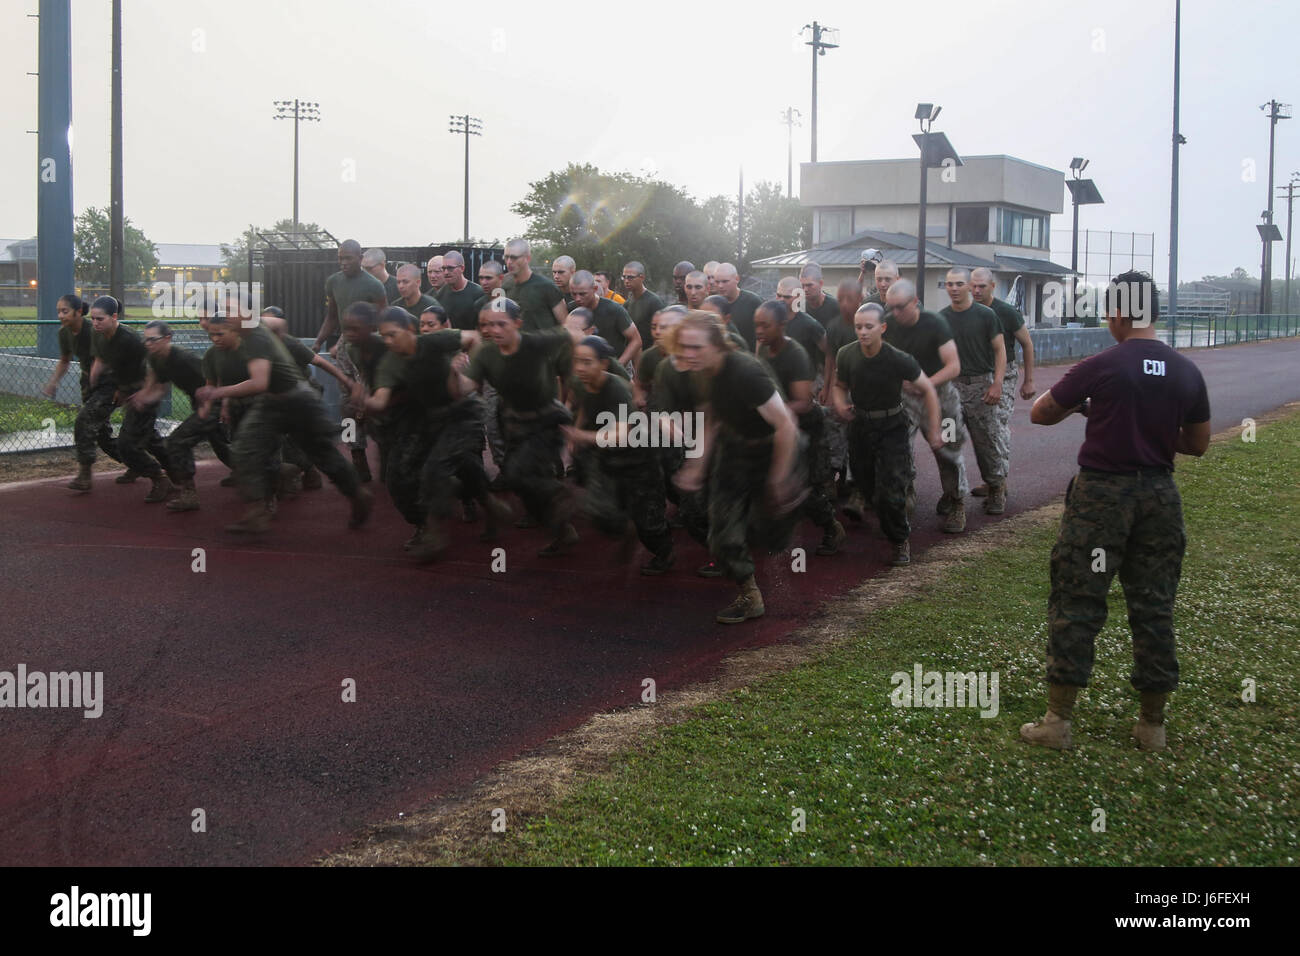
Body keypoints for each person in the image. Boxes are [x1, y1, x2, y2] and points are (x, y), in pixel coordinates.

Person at [1021, 272, 1210, 752]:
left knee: (1077, 600)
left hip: (1102, 496)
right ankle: (1152, 727)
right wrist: (1153, 427)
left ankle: (1058, 721)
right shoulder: (1187, 371)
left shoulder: (1102, 364)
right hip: (1160, 497)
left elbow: (1041, 412)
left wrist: (1090, 407)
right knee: (1154, 606)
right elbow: (1198, 443)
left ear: (1120, 313)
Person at [674, 311, 803, 624]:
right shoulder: (700, 370)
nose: (688, 354)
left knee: (771, 536)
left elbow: (787, 425)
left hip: (772, 449)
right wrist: (697, 463)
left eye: (696, 347)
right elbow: (709, 415)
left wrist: (778, 479)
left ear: (718, 345)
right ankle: (749, 595)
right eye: (684, 347)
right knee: (722, 534)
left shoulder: (746, 371)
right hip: (733, 452)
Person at [195, 314, 372, 533]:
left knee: (323, 454)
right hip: (269, 404)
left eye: (220, 333)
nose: (215, 339)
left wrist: (347, 381)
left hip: (298, 399)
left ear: (236, 328)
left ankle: (356, 493)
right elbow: (228, 377)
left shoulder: (256, 338)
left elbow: (259, 382)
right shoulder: (219, 354)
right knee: (244, 450)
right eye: (211, 334)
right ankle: (257, 510)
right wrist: (222, 401)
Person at [366, 308, 505, 559]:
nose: (388, 341)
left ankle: (437, 532)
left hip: (461, 413)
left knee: (438, 468)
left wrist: (467, 377)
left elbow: (473, 337)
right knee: (399, 476)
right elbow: (381, 398)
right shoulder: (390, 362)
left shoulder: (432, 341)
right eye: (383, 336)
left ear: (410, 331)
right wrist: (364, 401)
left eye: (392, 335)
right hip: (427, 419)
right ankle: (434, 520)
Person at [465, 297, 582, 556]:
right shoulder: (485, 353)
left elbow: (571, 333)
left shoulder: (536, 342)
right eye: (486, 325)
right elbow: (466, 386)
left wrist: (580, 363)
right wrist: (452, 376)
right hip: (514, 421)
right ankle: (561, 530)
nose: (492, 330)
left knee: (523, 474)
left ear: (517, 323)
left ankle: (563, 496)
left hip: (547, 419)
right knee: (517, 478)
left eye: (500, 324)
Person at [832, 303, 944, 566]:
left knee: (891, 490)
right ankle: (889, 519)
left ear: (882, 328)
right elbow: (839, 386)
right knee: (867, 488)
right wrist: (839, 403)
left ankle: (899, 539)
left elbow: (928, 390)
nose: (862, 332)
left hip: (892, 427)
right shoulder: (846, 354)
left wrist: (935, 429)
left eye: (868, 327)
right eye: (858, 327)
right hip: (860, 427)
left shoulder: (897, 358)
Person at [563, 336, 675, 574]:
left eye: (587, 362)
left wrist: (581, 436)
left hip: (639, 458)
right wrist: (578, 432)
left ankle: (664, 553)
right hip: (608, 455)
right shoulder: (580, 381)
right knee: (599, 512)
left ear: (603, 363)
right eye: (577, 362)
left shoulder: (618, 390)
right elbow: (583, 404)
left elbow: (621, 435)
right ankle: (628, 529)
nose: (580, 368)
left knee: (649, 524)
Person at [754, 300, 844, 556]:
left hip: (807, 428)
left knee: (808, 489)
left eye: (765, 325)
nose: (759, 331)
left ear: (782, 326)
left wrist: (767, 409)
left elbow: (804, 403)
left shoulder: (794, 354)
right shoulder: (763, 350)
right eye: (756, 325)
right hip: (780, 426)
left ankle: (832, 527)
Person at [883, 279, 967, 532]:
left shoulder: (935, 323)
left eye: (900, 307)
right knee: (899, 449)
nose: (895, 313)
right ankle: (906, 498)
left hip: (941, 397)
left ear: (915, 302)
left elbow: (954, 367)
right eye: (891, 307)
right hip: (905, 399)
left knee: (948, 451)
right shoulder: (889, 324)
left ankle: (956, 501)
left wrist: (924, 384)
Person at [67, 296, 170, 500]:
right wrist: (93, 381)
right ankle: (155, 470)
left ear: (114, 317)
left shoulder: (129, 340)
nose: (95, 323)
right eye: (93, 319)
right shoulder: (98, 334)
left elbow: (150, 370)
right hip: (119, 388)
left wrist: (135, 393)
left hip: (142, 389)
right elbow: (100, 359)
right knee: (126, 435)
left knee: (136, 440)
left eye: (100, 319)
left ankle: (164, 477)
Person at [132, 320, 230, 512]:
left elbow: (216, 382)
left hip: (214, 403)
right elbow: (159, 388)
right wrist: (143, 398)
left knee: (178, 441)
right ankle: (281, 472)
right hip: (202, 405)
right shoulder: (157, 358)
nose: (148, 344)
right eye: (146, 340)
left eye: (153, 340)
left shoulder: (183, 359)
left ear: (167, 338)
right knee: (225, 450)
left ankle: (189, 494)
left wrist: (212, 406)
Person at [939, 267, 1007, 518]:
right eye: (949, 284)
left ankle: (996, 487)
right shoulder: (940, 318)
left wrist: (997, 383)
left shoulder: (986, 316)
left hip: (981, 387)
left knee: (986, 443)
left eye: (959, 284)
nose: (954, 289)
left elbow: (1000, 350)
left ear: (968, 286)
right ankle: (955, 497)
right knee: (948, 445)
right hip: (950, 390)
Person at [970, 267, 1037, 501]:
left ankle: (999, 482)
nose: (977, 291)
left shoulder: (1006, 312)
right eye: (974, 286)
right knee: (980, 429)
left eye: (982, 287)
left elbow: (1027, 344)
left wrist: (1028, 380)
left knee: (997, 424)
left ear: (993, 286)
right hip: (979, 374)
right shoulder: (967, 311)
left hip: (1005, 373)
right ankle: (991, 479)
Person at [44, 293, 122, 467]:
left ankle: (84, 473)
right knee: (102, 435)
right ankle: (135, 463)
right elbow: (65, 360)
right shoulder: (64, 333)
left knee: (84, 421)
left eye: (65, 311)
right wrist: (53, 382)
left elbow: (114, 359)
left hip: (108, 382)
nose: (60, 316)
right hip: (89, 382)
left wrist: (121, 387)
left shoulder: (94, 330)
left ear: (78, 312)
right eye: (58, 311)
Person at [311, 239, 389, 353]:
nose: (344, 262)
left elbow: (384, 320)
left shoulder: (374, 285)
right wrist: (318, 343)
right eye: (341, 258)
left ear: (360, 258)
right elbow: (332, 317)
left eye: (348, 258)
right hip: (345, 343)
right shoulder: (333, 282)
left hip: (368, 346)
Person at [568, 271, 640, 370]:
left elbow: (636, 340)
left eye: (582, 294)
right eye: (573, 294)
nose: (578, 299)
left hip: (615, 368)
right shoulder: (571, 309)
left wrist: (619, 366)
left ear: (594, 289)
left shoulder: (614, 309)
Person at [504, 239, 569, 331]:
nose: (509, 262)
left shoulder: (547, 287)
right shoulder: (504, 286)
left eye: (514, 257)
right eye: (506, 257)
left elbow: (566, 326)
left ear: (527, 258)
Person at [712, 263, 763, 349]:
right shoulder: (712, 304)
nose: (720, 286)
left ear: (737, 279)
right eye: (717, 282)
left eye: (725, 281)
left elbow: (762, 336)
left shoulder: (753, 302)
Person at [436, 251, 485, 330]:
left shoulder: (478, 293)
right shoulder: (440, 295)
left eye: (450, 268)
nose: (446, 272)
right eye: (443, 268)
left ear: (462, 268)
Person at [622, 261, 664, 350]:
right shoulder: (627, 304)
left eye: (630, 277)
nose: (626, 281)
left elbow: (662, 334)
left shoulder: (654, 302)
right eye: (624, 277)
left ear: (642, 277)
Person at [799, 263, 841, 330]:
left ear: (821, 283)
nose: (805, 289)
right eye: (802, 286)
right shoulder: (798, 307)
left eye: (809, 285)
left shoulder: (835, 307)